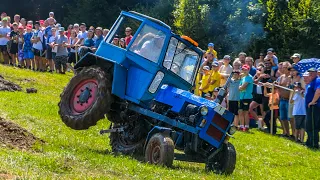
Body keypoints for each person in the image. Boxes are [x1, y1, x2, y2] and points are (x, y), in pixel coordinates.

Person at [305, 68, 320, 149]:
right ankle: (309, 141)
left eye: (312, 73)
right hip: (310, 107)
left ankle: (314, 144)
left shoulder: (318, 80)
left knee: (313, 126)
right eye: (309, 73)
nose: (310, 75)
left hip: (315, 106)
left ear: (316, 73)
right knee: (308, 126)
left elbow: (318, 91)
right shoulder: (311, 81)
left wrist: (313, 101)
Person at [277, 61, 292, 137]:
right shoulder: (281, 77)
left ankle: (294, 134)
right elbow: (278, 86)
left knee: (290, 118)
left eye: (284, 67)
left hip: (289, 100)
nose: (283, 69)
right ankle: (286, 133)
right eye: (282, 67)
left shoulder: (291, 77)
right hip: (282, 99)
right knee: (283, 117)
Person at [249, 63, 265, 129]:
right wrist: (256, 75)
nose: (258, 70)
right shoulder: (255, 77)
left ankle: (262, 125)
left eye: (260, 69)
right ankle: (259, 123)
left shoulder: (264, 77)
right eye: (257, 69)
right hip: (256, 96)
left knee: (262, 111)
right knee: (250, 108)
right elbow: (252, 81)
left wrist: (260, 77)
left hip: (263, 96)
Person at [239, 64, 254, 131]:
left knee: (245, 112)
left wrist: (240, 88)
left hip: (247, 97)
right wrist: (240, 87)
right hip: (241, 96)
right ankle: (242, 126)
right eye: (243, 69)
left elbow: (242, 87)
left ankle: (247, 126)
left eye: (245, 69)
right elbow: (240, 87)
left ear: (248, 70)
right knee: (240, 111)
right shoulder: (243, 78)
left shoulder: (249, 77)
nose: (244, 71)